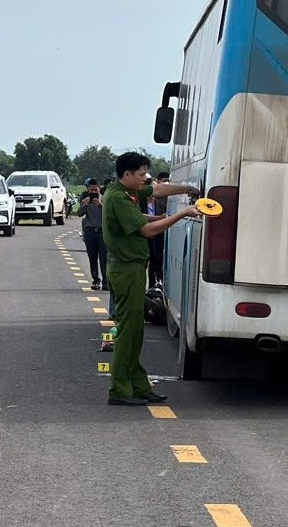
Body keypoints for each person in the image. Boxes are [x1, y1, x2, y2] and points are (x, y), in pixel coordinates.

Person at [103, 152, 200, 406]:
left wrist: (190, 187)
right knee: (128, 332)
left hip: (132, 268)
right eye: (140, 174)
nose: (145, 178)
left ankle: (137, 384)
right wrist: (183, 214)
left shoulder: (126, 192)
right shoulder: (118, 199)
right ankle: (120, 389)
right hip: (126, 270)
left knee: (136, 331)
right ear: (127, 175)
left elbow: (158, 191)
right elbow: (146, 230)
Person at [77, 179, 107, 291]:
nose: (93, 192)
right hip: (90, 232)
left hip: (102, 232)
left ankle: (106, 282)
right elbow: (80, 213)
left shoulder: (104, 199)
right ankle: (95, 280)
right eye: (91, 190)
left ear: (99, 189)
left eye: (95, 189)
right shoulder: (86, 200)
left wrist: (101, 205)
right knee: (92, 257)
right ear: (88, 190)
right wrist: (85, 204)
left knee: (104, 258)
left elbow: (110, 213)